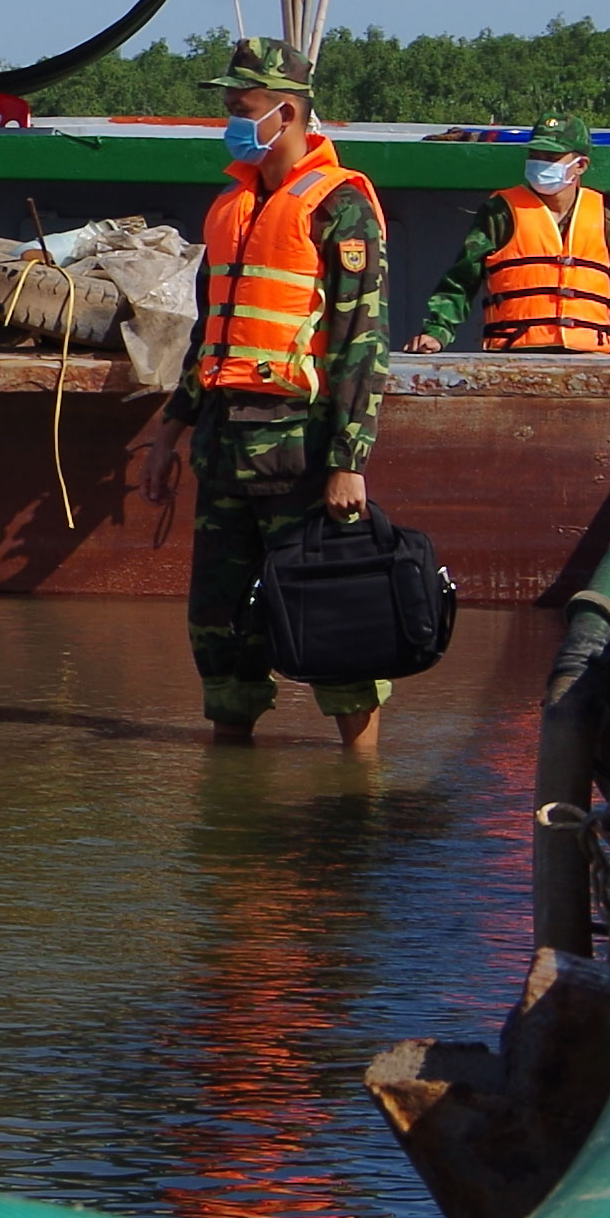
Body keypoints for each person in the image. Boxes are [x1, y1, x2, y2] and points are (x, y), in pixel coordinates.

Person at [135, 39, 393, 750]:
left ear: (287, 111)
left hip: (300, 453)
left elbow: (362, 342)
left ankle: (360, 786)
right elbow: (209, 336)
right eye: (228, 107)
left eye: (241, 108)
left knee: (330, 619)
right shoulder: (232, 207)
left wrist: (349, 458)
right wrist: (167, 433)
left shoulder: (340, 208)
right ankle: (229, 783)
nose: (230, 120)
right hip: (224, 448)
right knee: (219, 627)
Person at [414, 116, 610, 354]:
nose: (540, 164)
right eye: (535, 156)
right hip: (514, 351)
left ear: (580, 165)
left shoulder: (604, 220)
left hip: (589, 355)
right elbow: (462, 280)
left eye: (551, 158)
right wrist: (437, 333)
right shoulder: (500, 213)